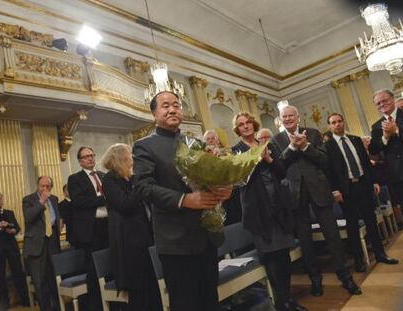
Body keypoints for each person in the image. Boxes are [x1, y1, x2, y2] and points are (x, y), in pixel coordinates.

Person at [133, 91, 232, 311]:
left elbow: (208, 180)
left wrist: (223, 189)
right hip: (176, 241)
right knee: (186, 304)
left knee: (210, 300)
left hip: (206, 235)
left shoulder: (194, 142)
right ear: (154, 113)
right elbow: (142, 186)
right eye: (165, 105)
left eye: (176, 105)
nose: (172, 109)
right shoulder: (145, 145)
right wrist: (184, 199)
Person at [271, 105, 361, 296]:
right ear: (280, 120)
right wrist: (291, 147)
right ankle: (315, 280)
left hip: (319, 191)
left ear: (298, 117)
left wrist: (304, 146)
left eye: (290, 116)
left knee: (333, 237)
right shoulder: (276, 139)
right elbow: (278, 167)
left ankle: (346, 278)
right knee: (306, 241)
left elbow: (323, 160)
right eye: (284, 117)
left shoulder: (312, 133)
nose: (287, 119)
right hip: (295, 195)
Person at [232, 112, 307, 311]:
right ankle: (282, 303)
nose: (246, 126)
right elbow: (238, 181)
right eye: (241, 124)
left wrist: (269, 159)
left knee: (283, 255)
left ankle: (286, 299)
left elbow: (281, 171)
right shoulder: (235, 150)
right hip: (258, 211)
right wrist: (254, 161)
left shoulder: (268, 145)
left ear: (254, 125)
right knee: (272, 257)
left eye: (248, 122)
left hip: (278, 208)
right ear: (237, 129)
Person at [325, 113, 398, 272]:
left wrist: (374, 181)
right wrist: (334, 190)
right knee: (352, 226)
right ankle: (359, 260)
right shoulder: (328, 147)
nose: (337, 124)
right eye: (333, 122)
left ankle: (380, 254)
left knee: (371, 221)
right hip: (346, 190)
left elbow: (365, 162)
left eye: (339, 121)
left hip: (363, 185)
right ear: (329, 126)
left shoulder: (355, 140)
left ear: (343, 122)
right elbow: (328, 171)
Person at [101, 143, 162, 311]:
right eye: (130, 154)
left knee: (150, 283)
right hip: (127, 241)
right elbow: (125, 204)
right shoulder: (110, 179)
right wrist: (139, 183)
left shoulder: (132, 178)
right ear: (121, 158)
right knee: (137, 288)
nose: (133, 158)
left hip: (143, 236)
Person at [67, 146, 108, 311]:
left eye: (92, 155)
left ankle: (112, 302)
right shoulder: (74, 179)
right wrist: (103, 199)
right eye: (86, 157)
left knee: (110, 265)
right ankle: (96, 306)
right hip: (91, 231)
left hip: (109, 226)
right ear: (80, 161)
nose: (90, 158)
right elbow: (78, 201)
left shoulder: (104, 176)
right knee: (94, 270)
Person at [22, 176, 60, 311]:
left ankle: (57, 307)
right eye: (42, 186)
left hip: (52, 243)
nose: (45, 189)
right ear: (37, 186)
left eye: (48, 186)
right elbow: (28, 217)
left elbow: (56, 220)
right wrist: (41, 202)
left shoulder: (54, 199)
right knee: (40, 282)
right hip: (36, 246)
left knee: (54, 280)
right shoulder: (28, 199)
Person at [0, 193, 29, 309]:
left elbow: (17, 227)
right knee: (1, 277)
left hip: (12, 248)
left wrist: (13, 231)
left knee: (19, 273)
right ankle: (4, 304)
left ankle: (25, 300)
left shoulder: (9, 212)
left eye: (1, 198)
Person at [369, 90, 403, 216]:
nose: (382, 104)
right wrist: (385, 138)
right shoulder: (376, 126)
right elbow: (373, 149)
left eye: (384, 100)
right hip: (396, 175)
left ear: (392, 99)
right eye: (378, 103)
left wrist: (397, 131)